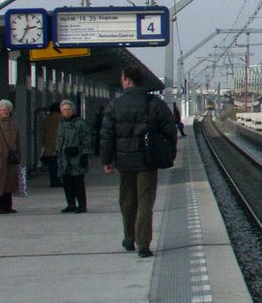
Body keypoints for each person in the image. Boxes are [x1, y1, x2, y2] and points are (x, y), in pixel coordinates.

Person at [101, 65, 176, 258]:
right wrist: (168, 153)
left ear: (127, 80)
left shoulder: (115, 105)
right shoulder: (154, 103)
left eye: (122, 78)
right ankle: (143, 245)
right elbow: (170, 129)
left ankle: (128, 239)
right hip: (147, 160)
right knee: (145, 202)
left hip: (123, 160)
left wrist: (107, 160)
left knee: (127, 201)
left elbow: (107, 135)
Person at [56, 100, 92, 213]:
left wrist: (84, 155)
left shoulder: (80, 124)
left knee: (78, 182)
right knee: (67, 181)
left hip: (77, 157)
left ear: (73, 110)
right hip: (64, 158)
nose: (66, 112)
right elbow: (58, 140)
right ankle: (71, 204)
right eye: (64, 110)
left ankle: (82, 205)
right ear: (61, 111)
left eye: (68, 109)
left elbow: (86, 139)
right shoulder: (61, 125)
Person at [40, 102, 63, 187]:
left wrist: (44, 143)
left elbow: (44, 132)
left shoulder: (47, 119)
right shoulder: (61, 118)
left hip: (49, 144)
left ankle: (53, 180)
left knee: (51, 165)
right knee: (59, 164)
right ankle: (58, 180)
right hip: (59, 144)